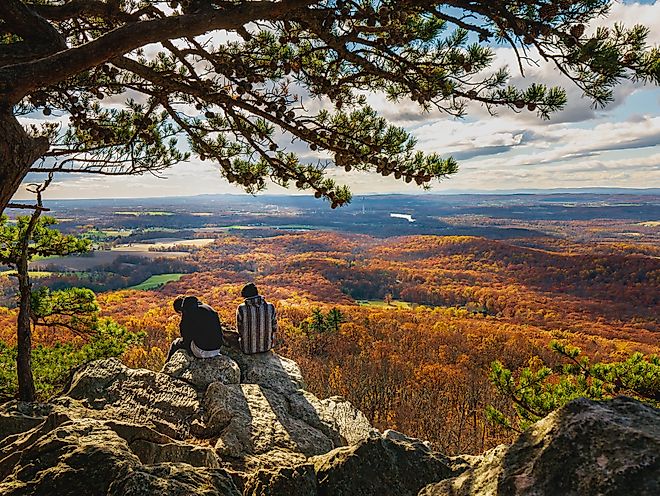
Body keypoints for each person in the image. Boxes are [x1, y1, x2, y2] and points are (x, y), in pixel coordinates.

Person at [167, 295, 225, 360]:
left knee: (175, 343)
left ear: (181, 308)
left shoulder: (188, 312)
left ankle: (166, 365)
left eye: (180, 313)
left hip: (201, 351)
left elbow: (185, 336)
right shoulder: (209, 308)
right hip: (217, 350)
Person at [236, 283, 278, 354]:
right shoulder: (270, 307)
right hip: (266, 347)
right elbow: (275, 327)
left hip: (247, 349)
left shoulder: (241, 308)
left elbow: (239, 329)